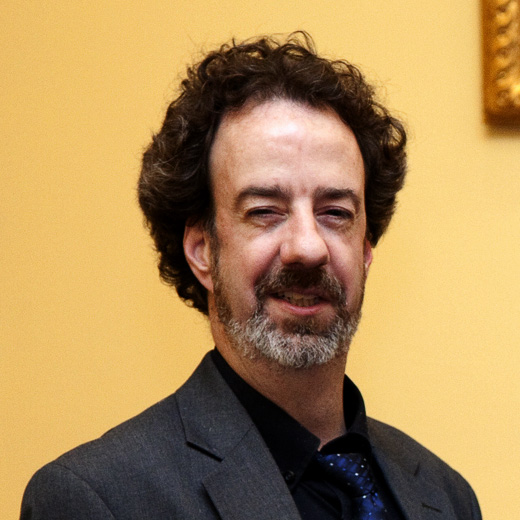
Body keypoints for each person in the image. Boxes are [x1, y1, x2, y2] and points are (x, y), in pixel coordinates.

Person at [20, 32, 481, 520]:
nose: (307, 247)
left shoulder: (447, 496)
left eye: (335, 213)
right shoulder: (98, 499)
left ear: (366, 249)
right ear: (202, 250)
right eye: (264, 211)